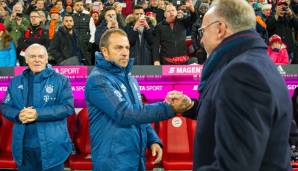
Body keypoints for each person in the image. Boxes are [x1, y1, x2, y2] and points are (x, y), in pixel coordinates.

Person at [166, 0, 293, 170]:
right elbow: (227, 112)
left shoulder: (243, 72)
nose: (201, 39)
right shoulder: (255, 62)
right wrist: (191, 106)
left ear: (220, 29)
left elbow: (235, 166)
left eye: (203, 31)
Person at [84, 28, 188, 171]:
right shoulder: (98, 80)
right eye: (119, 47)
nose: (125, 52)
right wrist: (169, 108)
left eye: (127, 47)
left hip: (135, 158)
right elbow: (125, 113)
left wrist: (152, 139)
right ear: (105, 52)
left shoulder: (131, 79)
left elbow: (138, 114)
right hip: (112, 161)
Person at [0, 43, 74, 171]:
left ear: (46, 59)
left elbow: (67, 107)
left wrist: (38, 114)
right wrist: (17, 115)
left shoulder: (61, 80)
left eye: (41, 56)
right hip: (23, 148)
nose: (37, 59)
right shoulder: (15, 81)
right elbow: (5, 106)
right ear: (26, 59)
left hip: (53, 147)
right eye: (32, 56)